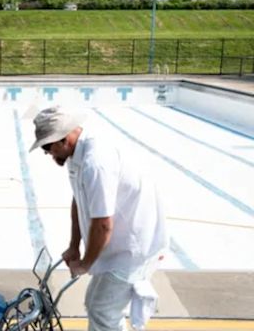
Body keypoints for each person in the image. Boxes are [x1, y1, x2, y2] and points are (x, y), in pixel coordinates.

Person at [29, 106, 167, 331]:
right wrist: (74, 246)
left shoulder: (96, 162)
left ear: (63, 139)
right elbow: (78, 200)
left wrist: (85, 264)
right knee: (98, 304)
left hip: (133, 249)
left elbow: (103, 225)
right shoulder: (75, 156)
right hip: (116, 246)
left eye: (47, 147)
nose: (47, 153)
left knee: (102, 310)